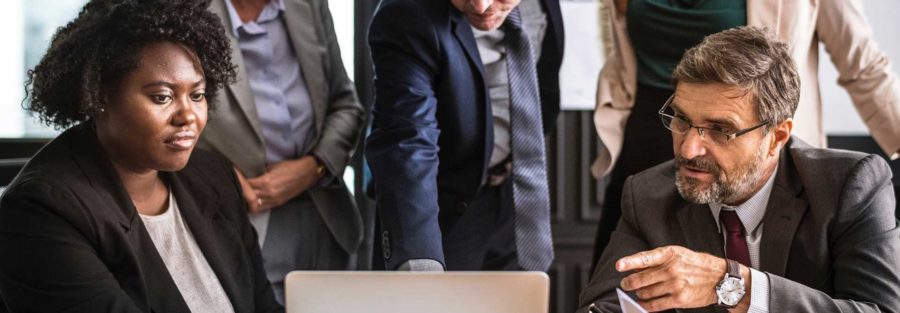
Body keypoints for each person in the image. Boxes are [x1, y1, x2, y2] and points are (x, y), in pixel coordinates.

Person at [578, 26, 900, 313]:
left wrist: (734, 285)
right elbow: (605, 304)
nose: (689, 149)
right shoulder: (648, 195)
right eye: (681, 120)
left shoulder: (849, 187)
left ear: (776, 138)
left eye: (721, 130)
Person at [0, 0, 282, 312]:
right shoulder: (41, 211)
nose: (188, 115)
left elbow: (263, 306)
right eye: (162, 97)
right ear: (100, 95)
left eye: (197, 94)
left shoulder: (214, 176)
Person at [366, 0, 564, 271]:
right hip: (442, 208)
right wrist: (419, 263)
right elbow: (407, 142)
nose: (481, 6)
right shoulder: (405, 13)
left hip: (520, 197)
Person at [201, 0, 365, 302]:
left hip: (327, 216)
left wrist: (314, 166)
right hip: (241, 219)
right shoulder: (188, 10)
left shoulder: (310, 5)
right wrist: (218, 176)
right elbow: (163, 122)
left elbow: (346, 105)